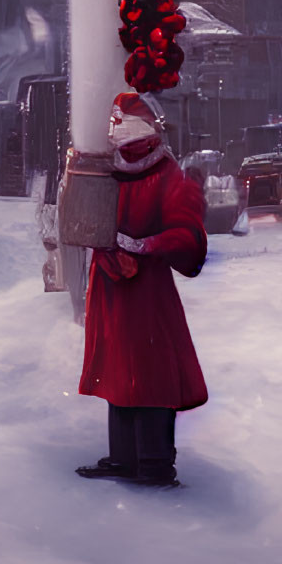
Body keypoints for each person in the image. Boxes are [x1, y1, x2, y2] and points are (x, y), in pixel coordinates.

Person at [76, 93, 208, 489]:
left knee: (151, 374)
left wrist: (146, 245)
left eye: (123, 121)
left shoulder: (166, 174)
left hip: (147, 293)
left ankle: (153, 461)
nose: (115, 128)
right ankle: (124, 456)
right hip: (111, 291)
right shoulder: (103, 170)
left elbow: (188, 235)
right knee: (117, 371)